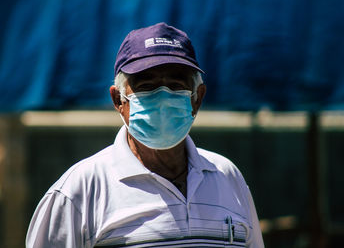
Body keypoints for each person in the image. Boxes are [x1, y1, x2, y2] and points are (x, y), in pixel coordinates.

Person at [26, 22, 264, 248]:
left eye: (176, 85)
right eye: (146, 86)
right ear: (119, 100)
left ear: (197, 98)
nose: (163, 96)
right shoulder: (81, 191)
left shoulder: (227, 177)